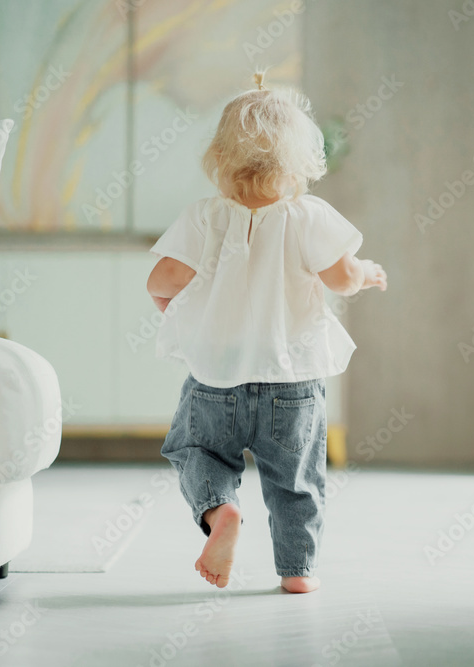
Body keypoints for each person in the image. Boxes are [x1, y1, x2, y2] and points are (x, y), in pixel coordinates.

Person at [146, 72, 387, 594]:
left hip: (216, 375)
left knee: (195, 450)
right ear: (300, 160)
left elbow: (160, 281)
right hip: (291, 380)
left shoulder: (204, 217)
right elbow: (343, 277)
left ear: (220, 156)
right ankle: (298, 572)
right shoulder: (307, 217)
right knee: (296, 479)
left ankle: (221, 510)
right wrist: (365, 272)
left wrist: (178, 315)